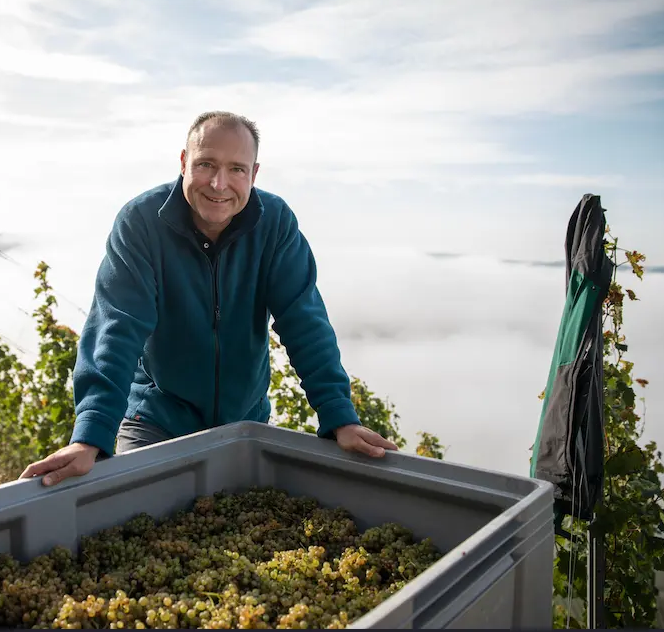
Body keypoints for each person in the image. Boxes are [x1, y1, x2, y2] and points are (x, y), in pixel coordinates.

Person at [20, 111, 398, 487]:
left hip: (244, 426)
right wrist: (91, 436)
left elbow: (304, 321)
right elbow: (117, 328)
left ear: (254, 174)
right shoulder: (140, 223)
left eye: (237, 169)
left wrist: (339, 417)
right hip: (155, 421)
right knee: (149, 531)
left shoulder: (275, 223)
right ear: (184, 162)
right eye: (206, 164)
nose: (219, 184)